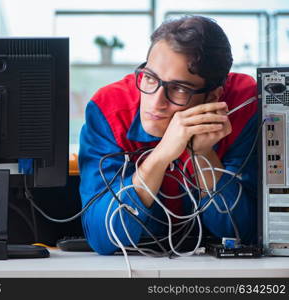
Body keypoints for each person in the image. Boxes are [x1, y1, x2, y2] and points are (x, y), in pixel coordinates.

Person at [78, 15, 258, 255]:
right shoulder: (109, 109)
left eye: (179, 88)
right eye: (150, 77)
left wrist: (204, 155)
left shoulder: (244, 106)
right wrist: (160, 157)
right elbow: (103, 239)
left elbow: (242, 233)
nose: (156, 102)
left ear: (213, 97)